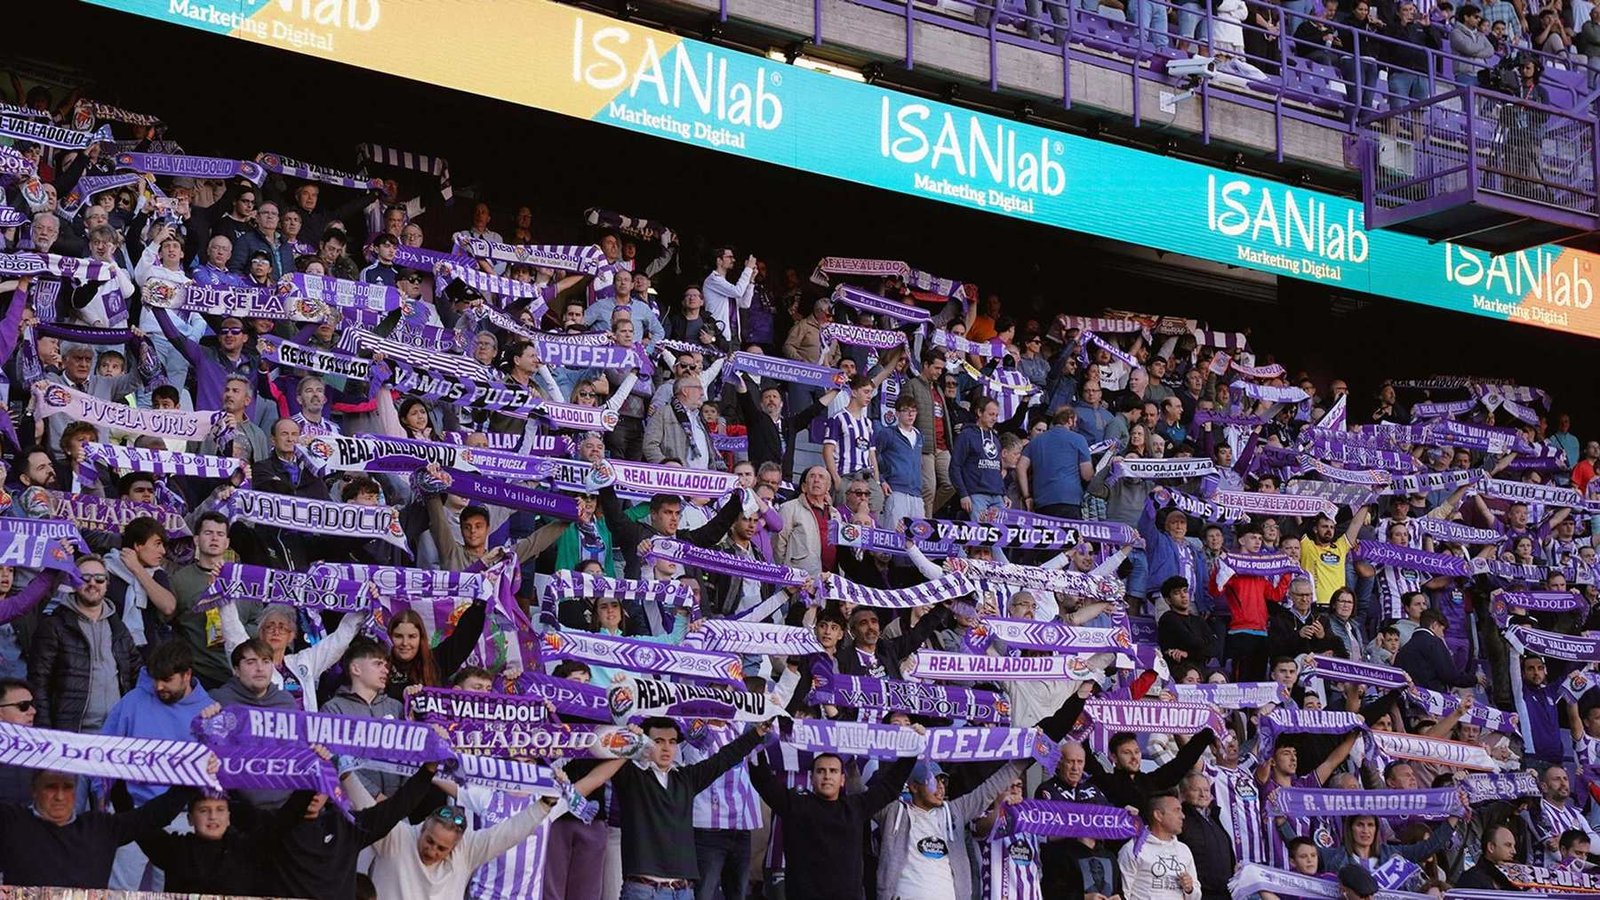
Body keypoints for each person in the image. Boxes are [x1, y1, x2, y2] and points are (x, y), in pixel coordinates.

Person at [749, 750, 918, 900]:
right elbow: (763, 781)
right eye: (821, 771)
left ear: (842, 779)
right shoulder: (795, 805)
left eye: (833, 771)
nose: (827, 776)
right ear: (811, 778)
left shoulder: (855, 807)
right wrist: (756, 742)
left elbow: (890, 787)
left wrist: (912, 750)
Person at [0, 770, 199, 888]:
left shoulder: (99, 827)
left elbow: (154, 815)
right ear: (34, 791)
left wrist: (195, 774)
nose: (60, 796)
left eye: (67, 787)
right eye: (51, 787)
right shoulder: (12, 822)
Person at [28, 554, 139, 732]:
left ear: (107, 583)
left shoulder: (118, 626)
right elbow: (38, 682)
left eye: (100, 579)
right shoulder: (54, 625)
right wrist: (45, 732)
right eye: (84, 578)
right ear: (73, 582)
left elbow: (135, 674)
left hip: (117, 730)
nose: (93, 583)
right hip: (71, 733)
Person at [1118, 791, 1200, 899]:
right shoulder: (1133, 848)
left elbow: (1196, 896)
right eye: (1177, 810)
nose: (1183, 816)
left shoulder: (1183, 850)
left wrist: (1190, 889)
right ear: (1158, 815)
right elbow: (1124, 893)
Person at [1017, 406, 1095, 518]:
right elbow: (1087, 475)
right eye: (1075, 421)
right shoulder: (1079, 439)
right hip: (1070, 500)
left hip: (1042, 502)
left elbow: (1020, 467)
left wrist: (1027, 496)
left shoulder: (1036, 441)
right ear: (1069, 420)